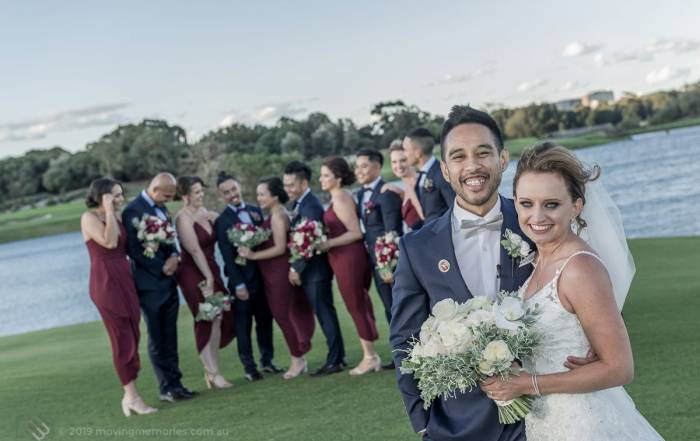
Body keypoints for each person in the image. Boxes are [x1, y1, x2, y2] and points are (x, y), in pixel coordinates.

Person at [391, 106, 597, 440]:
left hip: (547, 413)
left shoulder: (537, 222)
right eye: (458, 156)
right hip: (458, 424)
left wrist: (592, 348)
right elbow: (405, 338)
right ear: (444, 169)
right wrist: (422, 419)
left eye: (483, 153)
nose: (472, 166)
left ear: (502, 158)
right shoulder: (417, 248)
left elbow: (586, 283)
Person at [480, 143, 664, 441]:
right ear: (514, 202)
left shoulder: (579, 268)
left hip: (585, 424)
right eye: (526, 203)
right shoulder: (538, 259)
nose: (537, 216)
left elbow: (620, 368)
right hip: (548, 421)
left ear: (576, 206)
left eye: (551, 204)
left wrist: (529, 384)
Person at [81, 178, 156, 416]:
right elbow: (110, 241)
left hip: (125, 278)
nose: (120, 199)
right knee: (121, 337)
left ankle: (129, 395)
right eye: (115, 195)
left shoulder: (119, 217)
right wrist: (110, 211)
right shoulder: (89, 218)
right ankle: (132, 397)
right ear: (102, 196)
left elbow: (128, 247)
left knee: (133, 332)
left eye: (121, 194)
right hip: (105, 282)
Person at [123, 173, 197, 403]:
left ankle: (177, 384)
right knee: (157, 337)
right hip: (149, 283)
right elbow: (134, 250)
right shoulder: (132, 211)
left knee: (170, 336)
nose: (168, 200)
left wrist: (175, 256)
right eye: (166, 195)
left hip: (169, 280)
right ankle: (166, 388)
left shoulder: (162, 208)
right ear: (154, 188)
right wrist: (162, 267)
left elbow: (170, 238)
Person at [238, 177, 316, 380]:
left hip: (278, 272)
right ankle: (297, 357)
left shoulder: (278, 215)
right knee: (283, 314)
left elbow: (280, 247)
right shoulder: (273, 214)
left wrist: (253, 255)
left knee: (282, 315)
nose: (259, 198)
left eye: (262, 194)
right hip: (270, 272)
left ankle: (297, 359)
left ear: (274, 195)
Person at [317, 157, 381, 375]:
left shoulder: (342, 199)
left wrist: (328, 243)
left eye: (326, 175)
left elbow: (355, 232)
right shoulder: (337, 198)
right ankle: (370, 354)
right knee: (357, 304)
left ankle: (370, 357)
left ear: (338, 178)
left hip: (349, 258)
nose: (321, 179)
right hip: (341, 258)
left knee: (356, 305)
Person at [283, 160, 346, 376]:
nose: (287, 189)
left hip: (316, 271)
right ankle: (337, 356)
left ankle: (335, 359)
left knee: (325, 313)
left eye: (291, 185)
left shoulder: (310, 205)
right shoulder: (300, 204)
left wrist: (295, 269)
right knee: (324, 313)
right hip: (312, 271)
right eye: (285, 185)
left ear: (303, 183)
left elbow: (306, 241)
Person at [215, 173, 280, 382]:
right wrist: (239, 284)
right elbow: (227, 257)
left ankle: (267, 361)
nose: (232, 194)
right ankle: (249, 367)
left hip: (263, 276)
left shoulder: (255, 211)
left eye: (234, 189)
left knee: (265, 321)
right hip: (241, 280)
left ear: (239, 187)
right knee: (243, 326)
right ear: (221, 195)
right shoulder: (222, 221)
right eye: (227, 192)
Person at [174, 176, 234, 389]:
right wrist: (208, 278)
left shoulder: (204, 212)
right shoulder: (183, 218)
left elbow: (217, 228)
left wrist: (216, 216)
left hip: (211, 268)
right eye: (197, 192)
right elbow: (195, 250)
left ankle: (213, 371)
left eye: (201, 191)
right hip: (194, 273)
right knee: (206, 319)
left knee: (218, 317)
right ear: (185, 196)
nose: (201, 195)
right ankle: (212, 373)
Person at [354, 148, 402, 365]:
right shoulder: (361, 194)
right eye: (357, 166)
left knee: (398, 307)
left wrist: (387, 266)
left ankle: (406, 353)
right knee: (388, 307)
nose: (359, 170)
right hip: (375, 261)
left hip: (388, 262)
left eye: (364, 166)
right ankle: (399, 353)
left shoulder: (387, 193)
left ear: (377, 166)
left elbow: (392, 232)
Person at [402, 127, 455, 223]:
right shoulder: (420, 176)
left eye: (405, 150)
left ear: (418, 153)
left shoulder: (443, 174)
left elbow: (455, 210)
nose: (403, 154)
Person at [383, 139, 424, 230]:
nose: (398, 166)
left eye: (403, 160)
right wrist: (400, 192)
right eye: (394, 162)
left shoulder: (419, 182)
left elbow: (425, 217)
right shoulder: (406, 189)